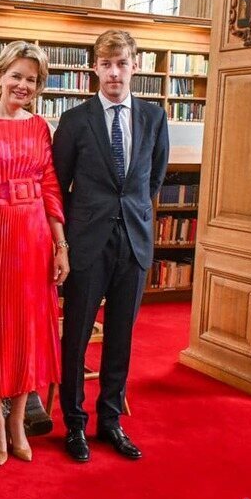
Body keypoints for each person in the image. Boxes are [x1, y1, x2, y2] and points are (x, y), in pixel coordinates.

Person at [52, 29, 169, 463]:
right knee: (77, 338)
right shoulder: (74, 120)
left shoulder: (154, 118)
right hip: (87, 244)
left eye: (121, 63)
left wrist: (132, 216)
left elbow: (152, 181)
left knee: (121, 338)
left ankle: (110, 421)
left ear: (135, 65)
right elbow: (59, 186)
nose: (114, 72)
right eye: (106, 64)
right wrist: (64, 242)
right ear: (94, 69)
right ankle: (74, 424)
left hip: (133, 244)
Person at [0, 41, 68, 465]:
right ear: (0, 75)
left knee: (28, 330)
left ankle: (20, 417)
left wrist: (61, 245)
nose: (23, 84)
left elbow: (51, 187)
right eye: (17, 75)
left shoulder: (41, 127)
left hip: (34, 237)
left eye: (32, 79)